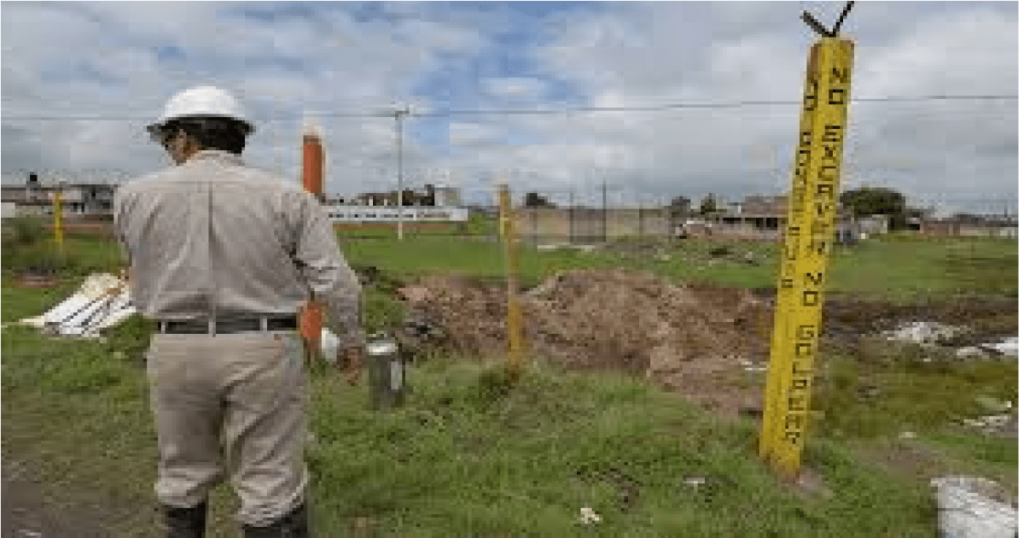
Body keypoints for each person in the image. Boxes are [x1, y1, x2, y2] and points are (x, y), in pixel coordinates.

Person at [113, 85, 365, 538]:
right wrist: (351, 340)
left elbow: (136, 261)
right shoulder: (288, 197)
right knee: (270, 481)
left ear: (186, 138)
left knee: (182, 473)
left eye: (168, 139)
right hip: (264, 347)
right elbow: (335, 280)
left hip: (174, 346)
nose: (169, 149)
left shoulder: (133, 196)